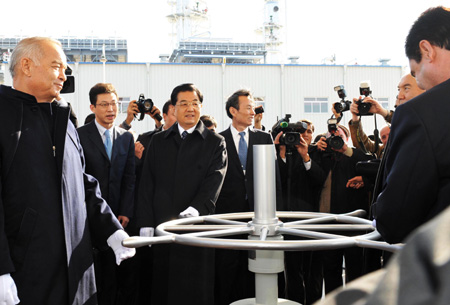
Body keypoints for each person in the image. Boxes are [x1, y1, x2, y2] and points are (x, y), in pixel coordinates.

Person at [0, 37, 135, 305]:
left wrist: (111, 229)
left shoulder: (64, 118)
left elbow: (82, 182)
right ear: (26, 66)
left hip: (77, 267)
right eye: (56, 67)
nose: (64, 75)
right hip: (26, 271)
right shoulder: (4, 116)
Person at [136, 83, 227, 305]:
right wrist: (146, 224)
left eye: (195, 103)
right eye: (183, 103)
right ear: (174, 109)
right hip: (163, 226)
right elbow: (147, 184)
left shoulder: (215, 142)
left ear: (201, 107)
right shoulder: (158, 141)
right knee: (163, 288)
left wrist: (195, 209)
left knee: (196, 290)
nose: (190, 108)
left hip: (197, 228)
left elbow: (214, 181)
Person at [372, 6, 450, 244]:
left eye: (415, 74)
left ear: (427, 50)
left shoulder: (422, 114)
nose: (420, 84)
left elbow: (395, 220)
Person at [214, 89, 281, 305]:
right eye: (248, 107)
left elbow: (274, 178)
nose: (253, 112)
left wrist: (275, 211)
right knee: (227, 269)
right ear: (233, 111)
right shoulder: (218, 139)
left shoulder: (264, 137)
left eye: (254, 107)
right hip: (227, 217)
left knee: (255, 270)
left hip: (258, 216)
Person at [77, 83, 136, 305]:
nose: (110, 109)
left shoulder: (126, 137)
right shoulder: (79, 136)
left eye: (113, 104)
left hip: (119, 217)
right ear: (92, 107)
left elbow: (130, 179)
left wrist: (125, 212)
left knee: (118, 276)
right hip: (89, 218)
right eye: (104, 105)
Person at [313, 124, 372, 294]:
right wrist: (318, 149)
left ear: (346, 138)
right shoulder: (321, 156)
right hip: (327, 224)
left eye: (338, 136)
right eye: (331, 137)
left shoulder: (354, 155)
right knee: (330, 270)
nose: (335, 140)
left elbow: (366, 162)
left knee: (355, 269)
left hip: (352, 223)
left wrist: (345, 149)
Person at [274, 119, 326, 305]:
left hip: (312, 219)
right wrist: (281, 151)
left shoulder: (317, 153)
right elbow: (277, 179)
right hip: (288, 219)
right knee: (292, 268)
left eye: (309, 132)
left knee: (312, 270)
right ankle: (294, 301)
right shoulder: (287, 151)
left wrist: (306, 157)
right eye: (300, 133)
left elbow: (319, 179)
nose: (304, 135)